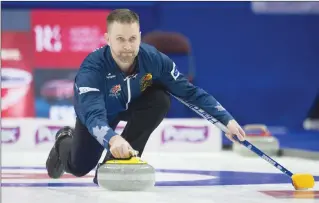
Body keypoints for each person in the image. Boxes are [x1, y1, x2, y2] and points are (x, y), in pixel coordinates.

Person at [45, 9, 246, 184]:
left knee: (160, 100)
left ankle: (114, 165)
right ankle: (64, 138)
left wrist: (226, 120)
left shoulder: (155, 60)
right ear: (107, 39)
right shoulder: (92, 69)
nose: (127, 47)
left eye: (132, 39)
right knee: (78, 167)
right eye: (120, 39)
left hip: (133, 103)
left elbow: (190, 93)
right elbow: (93, 115)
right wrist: (113, 139)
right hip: (100, 112)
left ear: (140, 37)